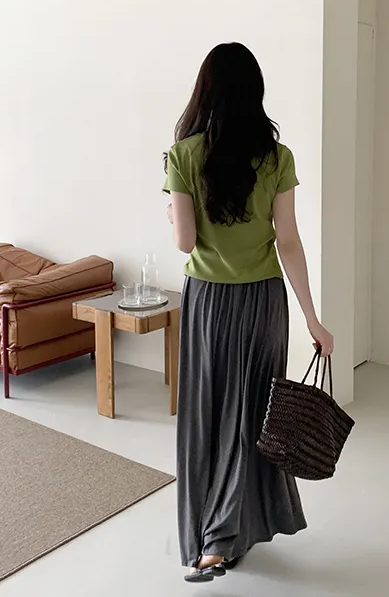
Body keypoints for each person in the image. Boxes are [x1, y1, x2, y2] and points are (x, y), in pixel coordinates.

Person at [163, 42, 334, 584]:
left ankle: (213, 540)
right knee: (252, 416)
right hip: (263, 303)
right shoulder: (277, 158)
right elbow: (289, 241)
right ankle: (228, 534)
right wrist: (312, 318)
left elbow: (185, 241)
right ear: (255, 92)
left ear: (204, 91)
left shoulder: (183, 155)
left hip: (208, 304)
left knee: (208, 415)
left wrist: (171, 211)